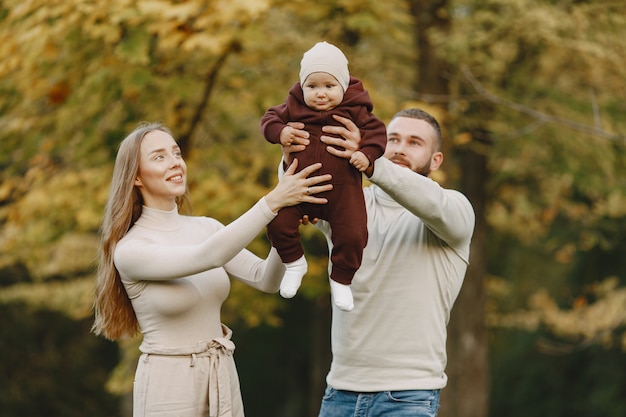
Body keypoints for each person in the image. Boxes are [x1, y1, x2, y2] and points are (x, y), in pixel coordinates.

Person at [91, 122, 332, 417]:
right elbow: (210, 255)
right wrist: (272, 202)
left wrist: (286, 227)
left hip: (221, 372)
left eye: (176, 153)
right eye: (159, 157)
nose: (175, 162)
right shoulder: (130, 249)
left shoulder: (206, 228)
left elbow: (266, 279)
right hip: (169, 384)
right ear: (136, 177)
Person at [283, 108, 475, 417]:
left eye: (414, 142)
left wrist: (374, 164)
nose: (399, 148)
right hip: (339, 393)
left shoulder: (455, 209)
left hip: (408, 397)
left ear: (436, 160)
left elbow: (431, 203)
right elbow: (296, 187)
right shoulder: (348, 204)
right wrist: (291, 151)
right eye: (393, 139)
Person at [261, 41, 387, 311]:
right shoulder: (293, 107)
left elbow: (378, 135)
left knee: (354, 235)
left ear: (343, 85)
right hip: (300, 189)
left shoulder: (356, 110)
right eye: (312, 86)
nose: (320, 94)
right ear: (302, 87)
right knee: (276, 221)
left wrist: (366, 154)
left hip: (344, 193)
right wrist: (281, 134)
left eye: (329, 86)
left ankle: (341, 280)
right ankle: (294, 263)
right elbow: (269, 119)